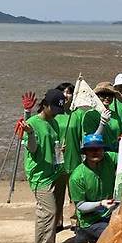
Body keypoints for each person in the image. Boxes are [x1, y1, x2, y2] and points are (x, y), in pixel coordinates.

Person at [16, 88, 67, 243]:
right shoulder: (32, 123)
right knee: (48, 212)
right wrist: (29, 133)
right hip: (40, 176)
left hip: (54, 171)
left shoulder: (53, 123)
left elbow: (52, 145)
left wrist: (60, 152)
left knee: (55, 211)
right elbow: (32, 149)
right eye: (53, 109)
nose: (56, 113)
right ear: (44, 106)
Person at [68, 134, 118, 243]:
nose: (95, 152)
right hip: (91, 221)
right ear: (85, 152)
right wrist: (100, 203)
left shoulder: (110, 158)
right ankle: (85, 232)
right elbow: (80, 206)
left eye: (99, 148)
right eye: (91, 149)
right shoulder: (77, 176)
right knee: (116, 235)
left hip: (112, 214)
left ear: (103, 150)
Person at [53, 82, 83, 228]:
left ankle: (75, 222)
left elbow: (84, 136)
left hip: (74, 159)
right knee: (57, 195)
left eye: (69, 92)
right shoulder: (53, 113)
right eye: (63, 92)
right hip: (57, 160)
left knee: (75, 195)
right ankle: (57, 221)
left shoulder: (77, 114)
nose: (66, 95)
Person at [82, 83, 121, 152]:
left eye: (110, 95)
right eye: (103, 94)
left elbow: (120, 133)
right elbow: (91, 140)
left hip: (115, 153)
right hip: (98, 153)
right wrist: (102, 123)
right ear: (97, 96)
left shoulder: (115, 115)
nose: (107, 97)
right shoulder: (90, 115)